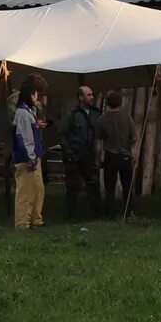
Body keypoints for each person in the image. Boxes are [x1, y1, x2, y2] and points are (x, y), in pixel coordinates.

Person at [61, 83, 104, 221]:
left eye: (92, 94)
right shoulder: (72, 114)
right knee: (73, 187)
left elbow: (99, 133)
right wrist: (68, 152)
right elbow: (61, 133)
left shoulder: (96, 113)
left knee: (93, 185)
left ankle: (95, 215)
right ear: (80, 97)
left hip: (89, 154)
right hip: (74, 154)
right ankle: (71, 216)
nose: (92, 97)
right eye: (88, 95)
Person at [12, 77, 48, 230]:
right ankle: (22, 222)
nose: (37, 97)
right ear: (30, 94)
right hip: (27, 157)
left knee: (37, 189)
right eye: (35, 94)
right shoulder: (22, 113)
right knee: (25, 192)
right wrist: (31, 157)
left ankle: (35, 219)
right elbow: (24, 137)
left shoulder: (28, 112)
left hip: (34, 155)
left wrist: (37, 125)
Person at [98, 89, 134, 219]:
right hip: (125, 156)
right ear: (120, 102)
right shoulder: (126, 117)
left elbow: (99, 137)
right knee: (127, 186)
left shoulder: (102, 119)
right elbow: (134, 137)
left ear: (107, 103)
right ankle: (128, 212)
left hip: (110, 155)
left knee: (110, 187)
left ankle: (110, 214)